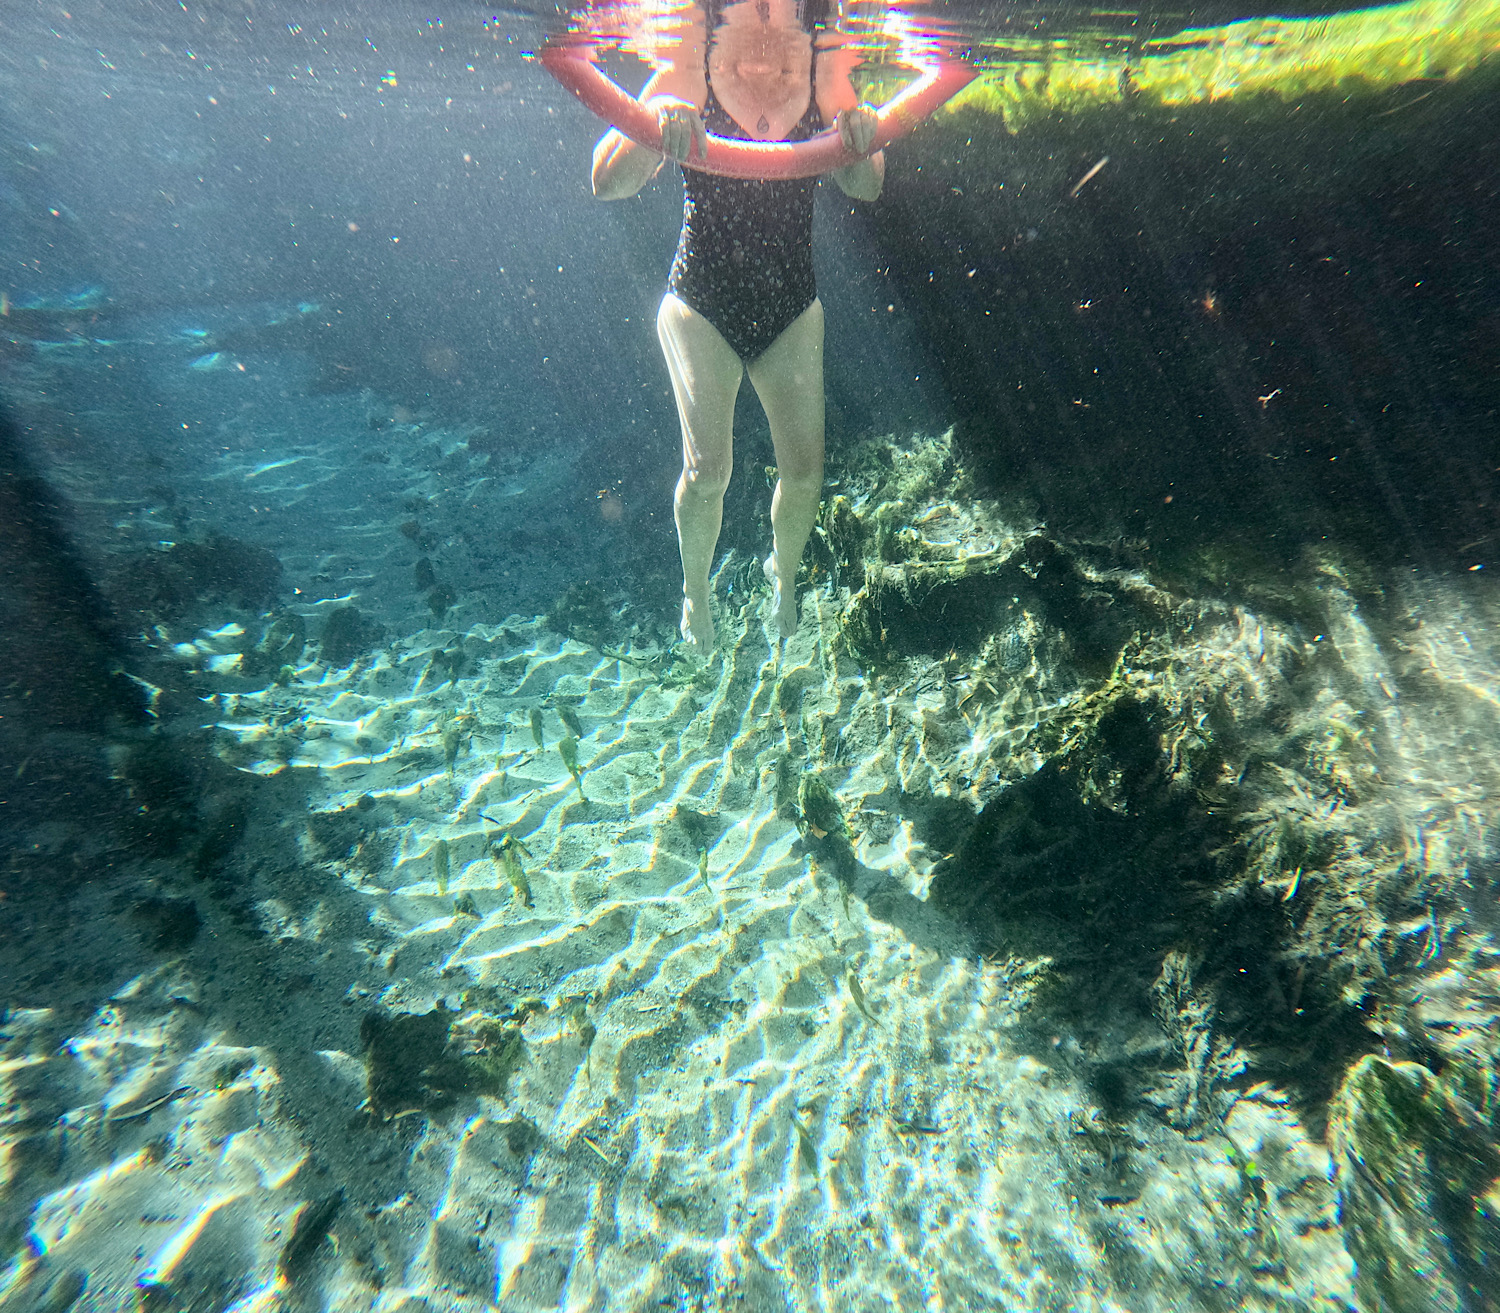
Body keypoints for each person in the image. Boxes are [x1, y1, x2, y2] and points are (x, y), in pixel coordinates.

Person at [591, 0, 883, 653]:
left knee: (805, 475)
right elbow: (607, 184)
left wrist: (859, 134)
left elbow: (864, 185)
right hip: (701, 300)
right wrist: (654, 128)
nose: (768, 16)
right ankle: (695, 594)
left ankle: (784, 580)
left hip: (791, 305)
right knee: (708, 473)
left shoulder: (822, 66)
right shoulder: (690, 61)